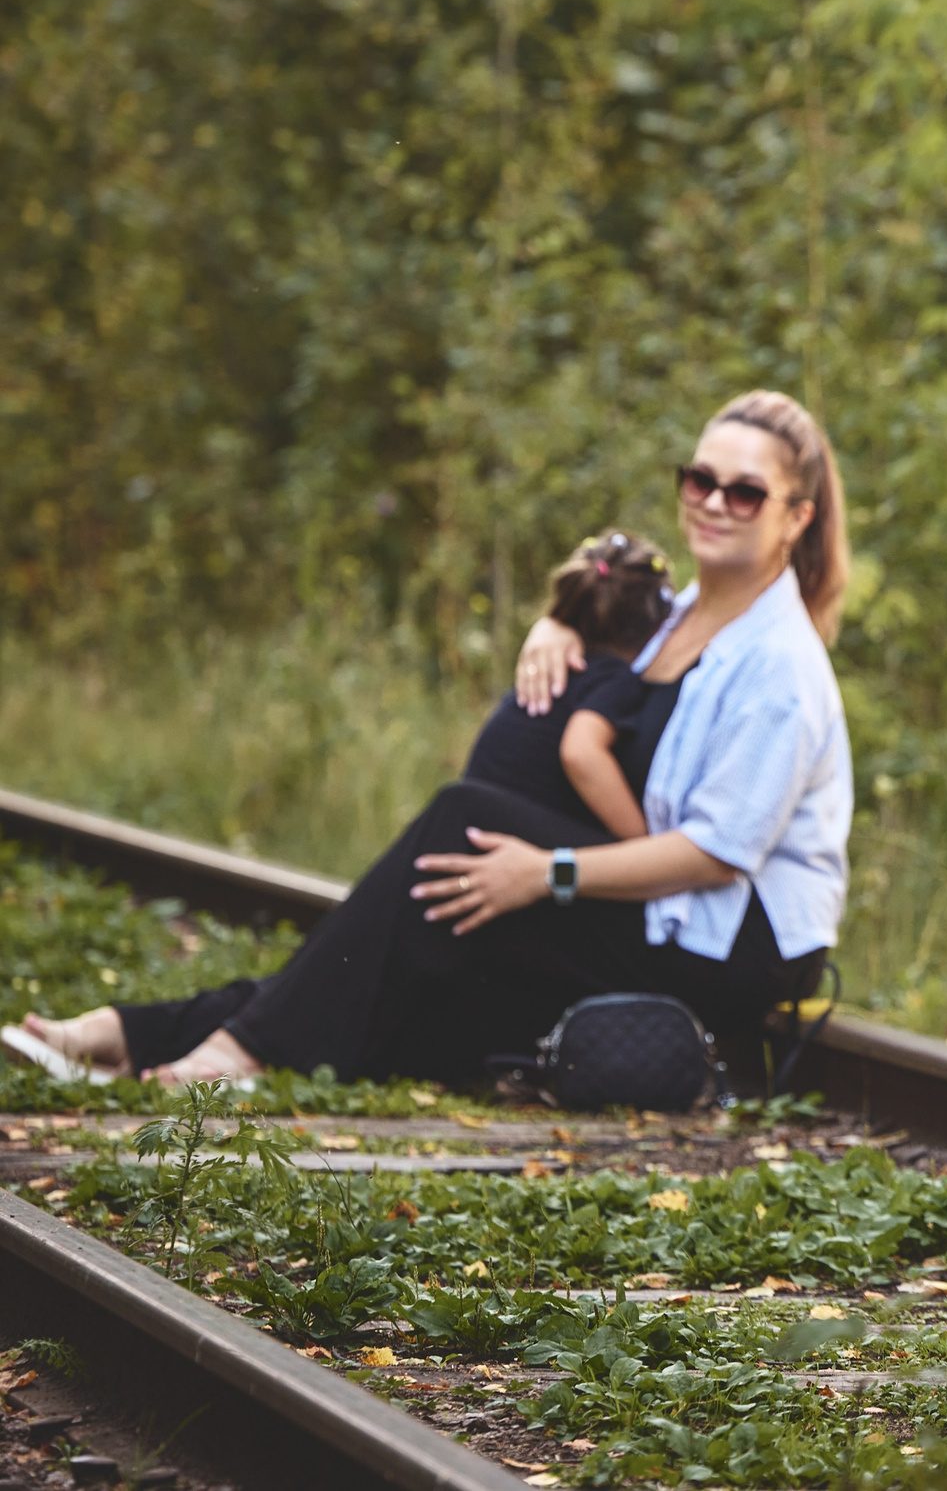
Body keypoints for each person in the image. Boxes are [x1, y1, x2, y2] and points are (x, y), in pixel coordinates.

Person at [21, 390, 855, 1093]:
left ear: (796, 517)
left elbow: (716, 855)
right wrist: (551, 627)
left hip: (730, 943)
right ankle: (146, 1036)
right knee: (429, 940)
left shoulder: (783, 665)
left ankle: (222, 1052)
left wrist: (546, 873)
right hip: (666, 906)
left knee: (460, 833)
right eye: (700, 479)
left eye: (745, 493)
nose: (713, 502)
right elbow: (605, 627)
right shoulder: (680, 617)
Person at [458, 530, 675, 840]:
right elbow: (580, 753)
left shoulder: (562, 667)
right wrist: (643, 844)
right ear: (659, 625)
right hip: (506, 845)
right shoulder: (616, 680)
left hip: (471, 828)